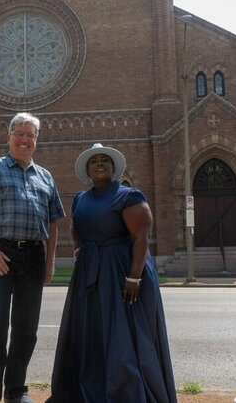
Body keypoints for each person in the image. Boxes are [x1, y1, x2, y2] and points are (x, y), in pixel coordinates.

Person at [47, 143, 177, 403]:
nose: (100, 163)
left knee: (122, 335)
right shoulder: (80, 199)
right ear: (87, 169)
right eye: (94, 160)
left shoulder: (129, 196)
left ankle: (126, 392)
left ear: (114, 167)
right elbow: (76, 230)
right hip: (89, 272)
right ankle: (90, 389)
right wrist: (79, 255)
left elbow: (141, 237)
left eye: (105, 159)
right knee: (91, 332)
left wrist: (134, 277)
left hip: (122, 273)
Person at [0, 112, 65, 403]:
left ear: (36, 140)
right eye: (19, 134)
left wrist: (50, 261)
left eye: (30, 135)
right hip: (0, 253)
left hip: (34, 257)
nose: (25, 140)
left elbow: (53, 223)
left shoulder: (45, 176)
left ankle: (16, 391)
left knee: (26, 329)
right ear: (9, 137)